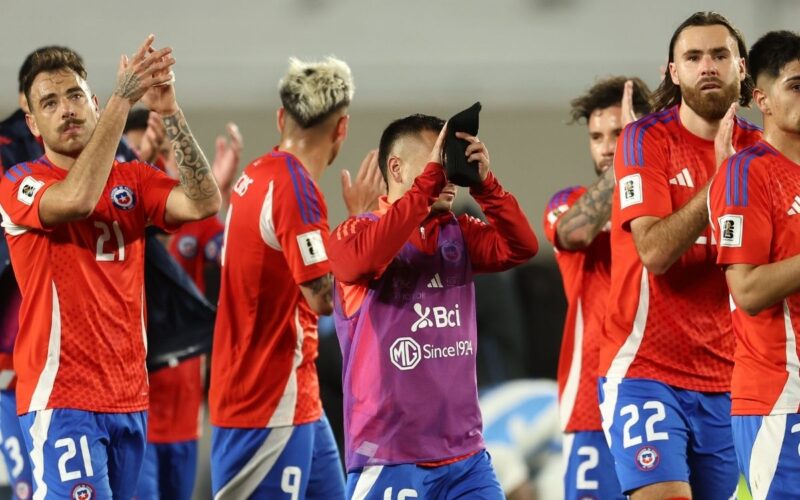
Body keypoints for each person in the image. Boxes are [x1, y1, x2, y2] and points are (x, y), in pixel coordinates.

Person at [0, 36, 221, 498]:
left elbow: (203, 202)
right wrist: (124, 99)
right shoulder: (20, 182)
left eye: (76, 95)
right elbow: (76, 200)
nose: (67, 110)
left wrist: (172, 113)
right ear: (32, 123)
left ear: (93, 102)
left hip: (128, 397)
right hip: (61, 400)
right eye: (50, 102)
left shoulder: (134, 179)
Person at [328, 114, 538, 498]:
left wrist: (486, 185)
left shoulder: (457, 232)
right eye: (437, 161)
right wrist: (426, 187)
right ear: (396, 167)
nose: (448, 174)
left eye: (449, 162)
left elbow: (522, 246)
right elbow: (355, 262)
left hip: (466, 458)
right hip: (390, 457)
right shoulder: (355, 233)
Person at [597, 11, 762, 499]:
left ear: (742, 67)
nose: (707, 66)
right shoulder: (645, 140)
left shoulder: (763, 151)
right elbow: (654, 252)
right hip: (645, 372)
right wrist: (723, 180)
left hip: (728, 380)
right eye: (693, 57)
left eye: (719, 55)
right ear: (673, 72)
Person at [209, 56, 383, 499]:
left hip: (295, 393)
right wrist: (360, 224)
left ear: (281, 117)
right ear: (341, 128)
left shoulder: (257, 173)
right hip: (267, 404)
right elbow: (323, 297)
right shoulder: (296, 189)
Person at [123, 109, 241, 500]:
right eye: (138, 153)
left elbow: (231, 258)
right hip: (134, 416)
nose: (152, 162)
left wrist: (218, 203)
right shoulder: (109, 229)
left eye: (159, 156)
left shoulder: (197, 226)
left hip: (186, 420)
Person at [544, 76, 650, 500]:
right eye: (597, 137)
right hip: (591, 401)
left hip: (671, 390)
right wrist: (633, 154)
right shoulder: (568, 203)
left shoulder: (670, 208)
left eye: (620, 133)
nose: (607, 147)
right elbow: (575, 234)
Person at [708, 30, 800, 499]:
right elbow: (745, 290)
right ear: (761, 98)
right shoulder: (745, 174)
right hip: (781, 402)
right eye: (797, 85)